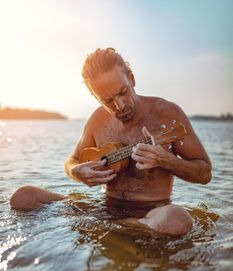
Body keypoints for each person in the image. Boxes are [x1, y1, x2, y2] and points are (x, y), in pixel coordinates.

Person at [10, 48, 212, 236]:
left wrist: (166, 161)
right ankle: (114, 227)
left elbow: (204, 174)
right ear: (95, 97)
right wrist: (76, 172)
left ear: (131, 78)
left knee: (177, 220)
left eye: (123, 92)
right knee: (23, 196)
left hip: (151, 214)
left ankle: (115, 227)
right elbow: (72, 160)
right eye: (107, 101)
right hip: (104, 207)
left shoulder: (167, 114)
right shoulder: (97, 120)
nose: (120, 105)